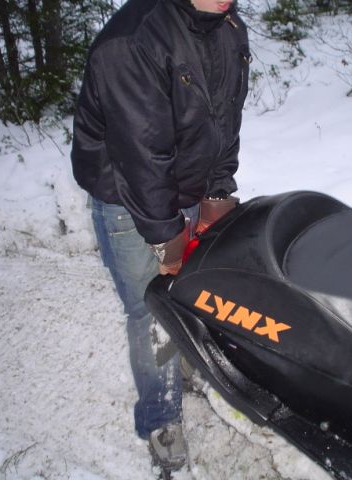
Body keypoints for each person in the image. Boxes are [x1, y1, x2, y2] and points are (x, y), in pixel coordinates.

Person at [70, 0, 250, 472]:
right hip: (129, 202)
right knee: (151, 308)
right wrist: (166, 241)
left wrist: (217, 191)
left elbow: (225, 121)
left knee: (189, 294)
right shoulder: (132, 41)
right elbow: (141, 158)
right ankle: (160, 416)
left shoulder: (228, 27)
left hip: (186, 184)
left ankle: (180, 361)